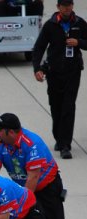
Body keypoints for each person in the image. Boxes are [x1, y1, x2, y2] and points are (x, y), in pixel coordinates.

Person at [32, 0, 87, 159]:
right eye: (64, 7)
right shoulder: (50, 25)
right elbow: (39, 48)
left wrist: (79, 42)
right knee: (56, 107)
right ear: (58, 7)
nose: (67, 9)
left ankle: (65, 145)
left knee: (68, 108)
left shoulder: (79, 23)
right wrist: (37, 69)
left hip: (73, 72)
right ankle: (59, 137)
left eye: (69, 6)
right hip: (54, 73)